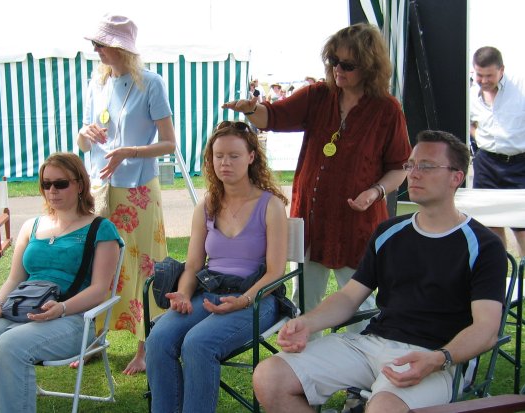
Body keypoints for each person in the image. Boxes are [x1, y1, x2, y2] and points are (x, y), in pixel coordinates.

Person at [253, 130, 507, 412]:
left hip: (440, 357)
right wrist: (308, 323)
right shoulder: (390, 232)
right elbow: (350, 297)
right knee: (270, 378)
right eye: (411, 165)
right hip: (372, 343)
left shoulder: (484, 245)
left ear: (456, 178)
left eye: (427, 166)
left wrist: (439, 358)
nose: (414, 173)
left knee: (383, 408)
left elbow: (486, 329)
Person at [222, 23, 411, 331]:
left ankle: (360, 376)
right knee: (304, 304)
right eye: (333, 61)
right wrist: (252, 110)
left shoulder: (387, 109)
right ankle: (303, 373)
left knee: (359, 307)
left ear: (369, 66)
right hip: (312, 218)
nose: (338, 70)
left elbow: (400, 165)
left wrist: (376, 191)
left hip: (358, 223)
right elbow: (273, 116)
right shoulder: (318, 96)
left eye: (347, 65)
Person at [0, 152, 123, 413]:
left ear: (80, 184)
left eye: (60, 184)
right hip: (22, 310)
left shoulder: (100, 229)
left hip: (73, 318)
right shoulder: (31, 226)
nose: (52, 191)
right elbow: (15, 278)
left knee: (10, 346)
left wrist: (63, 308)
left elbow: (99, 289)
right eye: (46, 184)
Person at [145, 121, 289, 413]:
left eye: (234, 155)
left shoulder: (270, 205)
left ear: (251, 157)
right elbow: (194, 264)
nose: (224, 162)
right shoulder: (207, 205)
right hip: (209, 293)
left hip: (257, 298)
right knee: (158, 339)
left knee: (198, 344)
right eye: (218, 155)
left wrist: (243, 300)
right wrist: (184, 294)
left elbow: (276, 272)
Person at [77, 14, 176, 374]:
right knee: (101, 264)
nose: (96, 51)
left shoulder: (151, 83)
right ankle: (93, 340)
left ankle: (147, 348)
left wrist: (128, 151)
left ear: (121, 47)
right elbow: (83, 142)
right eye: (94, 45)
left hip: (138, 192)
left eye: (101, 44)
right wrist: (85, 133)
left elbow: (169, 142)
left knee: (145, 264)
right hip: (103, 188)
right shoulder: (96, 84)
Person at [470, 46, 525, 257]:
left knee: (522, 228)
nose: (483, 80)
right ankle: (497, 280)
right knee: (490, 228)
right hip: (486, 164)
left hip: (519, 164)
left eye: (489, 75)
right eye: (479, 75)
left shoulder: (520, 88)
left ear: (502, 70)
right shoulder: (470, 93)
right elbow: (469, 123)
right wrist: (481, 138)